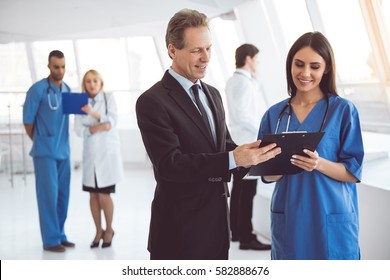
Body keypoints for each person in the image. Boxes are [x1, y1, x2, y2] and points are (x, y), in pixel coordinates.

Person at [136, 9, 281, 260]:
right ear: (172, 50)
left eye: (209, 48)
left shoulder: (213, 94)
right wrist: (235, 158)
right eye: (196, 50)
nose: (206, 58)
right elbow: (171, 165)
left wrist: (264, 163)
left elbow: (224, 147)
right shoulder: (152, 101)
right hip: (178, 235)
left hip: (216, 231)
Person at [257, 31, 364, 259]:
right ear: (290, 66)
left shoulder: (343, 110)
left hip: (331, 217)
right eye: (299, 64)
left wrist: (318, 163)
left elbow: (353, 172)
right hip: (291, 219)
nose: (305, 73)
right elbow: (267, 174)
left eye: (314, 66)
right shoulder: (274, 115)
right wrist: (273, 163)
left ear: (326, 69)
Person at [23, 50, 75, 253]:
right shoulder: (37, 90)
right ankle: (51, 240)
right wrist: (42, 141)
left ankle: (60, 235)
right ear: (48, 66)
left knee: (63, 196)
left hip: (64, 151)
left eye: (63, 66)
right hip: (45, 153)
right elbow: (28, 122)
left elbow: (73, 118)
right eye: (56, 67)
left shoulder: (68, 89)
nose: (60, 70)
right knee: (48, 197)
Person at [225, 44, 271, 250]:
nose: (258, 64)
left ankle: (235, 232)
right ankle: (246, 237)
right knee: (247, 191)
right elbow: (244, 115)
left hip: (237, 140)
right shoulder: (244, 84)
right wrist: (263, 131)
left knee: (239, 189)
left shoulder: (235, 80)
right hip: (248, 142)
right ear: (249, 58)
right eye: (257, 60)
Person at [74, 69, 123, 248]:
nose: (92, 84)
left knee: (104, 194)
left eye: (95, 81)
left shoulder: (108, 98)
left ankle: (109, 229)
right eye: (88, 81)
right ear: (84, 85)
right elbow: (78, 129)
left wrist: (94, 115)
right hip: (90, 156)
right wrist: (94, 128)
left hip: (107, 155)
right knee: (93, 195)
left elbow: (112, 122)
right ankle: (98, 230)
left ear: (100, 83)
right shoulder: (79, 102)